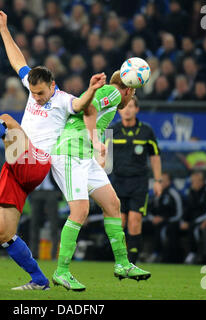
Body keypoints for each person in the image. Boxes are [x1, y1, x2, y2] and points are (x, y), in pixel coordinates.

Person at [0, 10, 105, 290]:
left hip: (37, 161)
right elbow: (18, 60)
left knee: (5, 120)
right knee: (3, 233)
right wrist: (3, 28)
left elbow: (81, 106)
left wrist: (90, 88)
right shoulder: (33, 86)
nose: (37, 98)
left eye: (41, 93)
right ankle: (39, 280)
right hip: (16, 167)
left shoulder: (63, 100)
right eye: (33, 93)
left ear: (53, 86)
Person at [50, 72, 151, 291]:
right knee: (80, 211)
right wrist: (96, 141)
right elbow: (88, 107)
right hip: (70, 151)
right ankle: (62, 271)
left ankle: (123, 263)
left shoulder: (112, 101)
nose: (130, 99)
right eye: (132, 93)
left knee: (112, 204)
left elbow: (94, 114)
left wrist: (98, 145)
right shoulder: (113, 92)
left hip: (84, 154)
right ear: (128, 90)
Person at [110, 96, 162, 265]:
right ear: (119, 110)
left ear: (137, 109)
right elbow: (102, 158)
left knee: (134, 220)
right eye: (125, 106)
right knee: (120, 222)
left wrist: (158, 180)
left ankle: (131, 262)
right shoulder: (112, 130)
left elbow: (155, 156)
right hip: (117, 181)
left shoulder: (146, 131)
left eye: (131, 106)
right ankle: (121, 259)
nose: (128, 109)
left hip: (139, 181)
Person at [166, 171, 206, 264]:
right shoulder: (190, 192)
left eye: (195, 181)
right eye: (192, 181)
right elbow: (186, 209)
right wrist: (183, 221)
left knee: (193, 228)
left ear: (202, 182)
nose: (193, 184)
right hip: (190, 221)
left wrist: (192, 222)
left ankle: (194, 254)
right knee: (172, 227)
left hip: (202, 220)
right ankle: (173, 257)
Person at [144, 172, 183, 263]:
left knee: (162, 229)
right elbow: (147, 210)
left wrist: (164, 219)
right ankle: (138, 253)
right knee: (137, 226)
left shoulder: (174, 194)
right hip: (153, 220)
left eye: (162, 181)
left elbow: (179, 213)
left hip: (169, 222)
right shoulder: (154, 194)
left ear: (168, 182)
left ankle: (158, 254)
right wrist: (152, 218)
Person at [29, 171, 61, 260]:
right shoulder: (33, 158)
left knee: (54, 224)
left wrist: (59, 191)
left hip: (51, 191)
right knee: (34, 224)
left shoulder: (54, 157)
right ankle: (33, 254)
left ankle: (54, 255)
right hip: (36, 191)